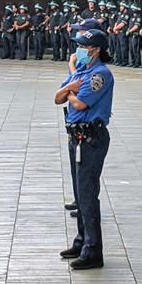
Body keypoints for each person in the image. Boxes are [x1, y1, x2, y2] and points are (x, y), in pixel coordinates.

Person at [56, 28, 114, 270]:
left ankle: (93, 249)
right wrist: (70, 90)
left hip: (91, 137)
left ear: (95, 50)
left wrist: (69, 92)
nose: (78, 51)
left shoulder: (99, 74)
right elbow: (57, 97)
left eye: (83, 46)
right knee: (80, 194)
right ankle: (81, 241)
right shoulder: (80, 72)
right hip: (76, 136)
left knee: (88, 194)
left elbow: (79, 102)